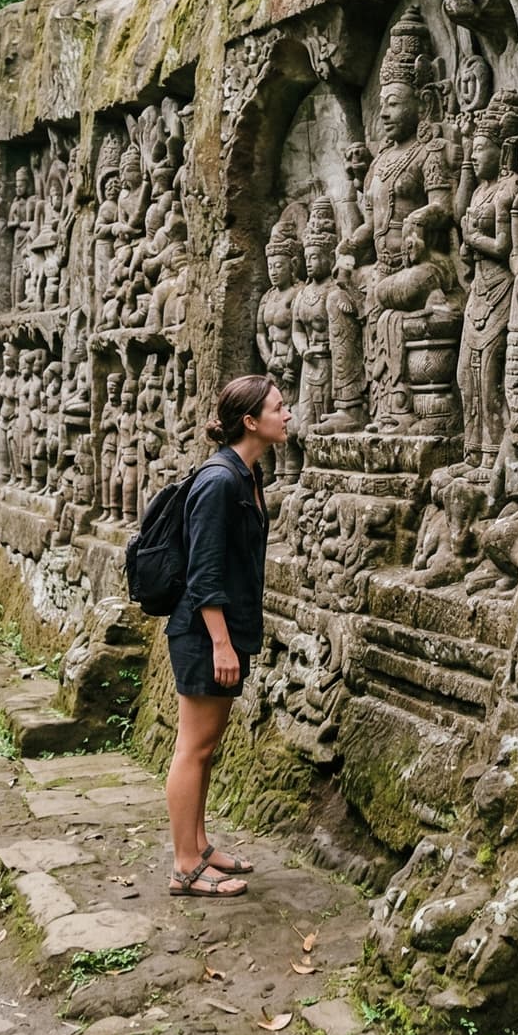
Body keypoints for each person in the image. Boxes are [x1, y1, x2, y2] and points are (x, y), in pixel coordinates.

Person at [164, 375, 289, 897]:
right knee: (192, 747)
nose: (288, 415)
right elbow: (204, 573)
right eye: (279, 408)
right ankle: (185, 866)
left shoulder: (247, 474)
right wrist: (220, 642)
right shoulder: (220, 482)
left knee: (207, 745)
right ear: (250, 421)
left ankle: (200, 845)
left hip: (221, 631)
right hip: (202, 632)